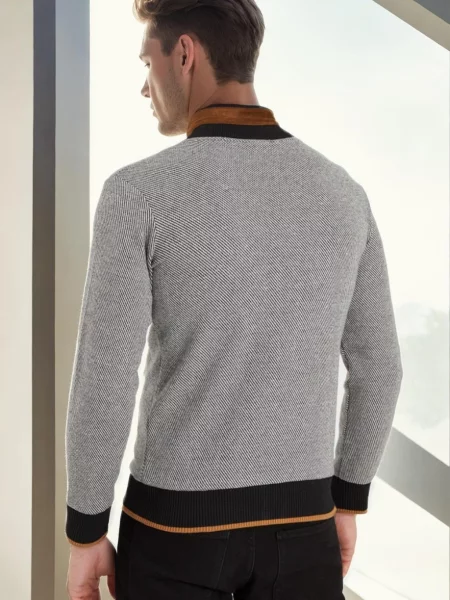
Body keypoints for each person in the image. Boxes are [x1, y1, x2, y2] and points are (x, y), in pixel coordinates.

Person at [65, 1, 403, 599]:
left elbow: (106, 377)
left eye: (147, 63)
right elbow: (380, 370)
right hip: (305, 527)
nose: (144, 86)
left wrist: (86, 530)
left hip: (174, 531)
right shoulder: (345, 196)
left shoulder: (137, 193)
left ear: (185, 54)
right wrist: (348, 498)